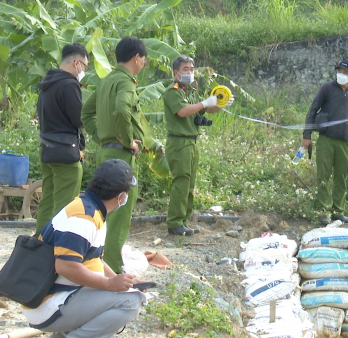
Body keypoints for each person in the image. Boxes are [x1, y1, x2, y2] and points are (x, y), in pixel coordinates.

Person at [21, 159, 146, 337]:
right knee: (131, 302)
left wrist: (122, 281)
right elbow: (65, 266)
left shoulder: (92, 208)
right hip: (48, 302)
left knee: (129, 293)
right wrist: (109, 284)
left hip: (59, 296)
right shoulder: (83, 217)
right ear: (120, 195)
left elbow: (94, 259)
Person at [81, 36, 158, 273]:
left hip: (106, 153)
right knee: (120, 213)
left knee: (104, 211)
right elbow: (123, 110)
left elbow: (86, 113)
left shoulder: (106, 81)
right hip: (122, 158)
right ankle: (112, 267)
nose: (143, 65)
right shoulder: (126, 83)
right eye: (143, 60)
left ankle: (96, 260)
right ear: (137, 58)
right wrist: (127, 141)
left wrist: (102, 137)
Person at [162, 55, 234, 235]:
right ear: (176, 72)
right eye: (185, 69)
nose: (190, 72)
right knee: (181, 182)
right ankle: (175, 222)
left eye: (192, 69)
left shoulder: (190, 91)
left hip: (192, 141)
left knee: (190, 183)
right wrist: (205, 102)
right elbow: (183, 111)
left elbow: (207, 109)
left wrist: (221, 103)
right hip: (179, 142)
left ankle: (183, 220)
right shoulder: (173, 91)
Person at [302, 60, 348, 226]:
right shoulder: (326, 89)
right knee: (323, 175)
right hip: (327, 140)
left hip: (346, 142)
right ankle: (323, 211)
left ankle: (338, 212)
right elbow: (312, 111)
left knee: (341, 177)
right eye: (339, 71)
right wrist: (306, 136)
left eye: (344, 72)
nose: (341, 75)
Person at [36, 43, 88, 232]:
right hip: (66, 153)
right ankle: (60, 248)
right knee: (65, 205)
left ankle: (40, 243)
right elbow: (79, 118)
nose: (84, 71)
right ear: (76, 63)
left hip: (47, 149)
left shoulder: (46, 84)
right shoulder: (69, 84)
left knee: (48, 201)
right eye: (85, 66)